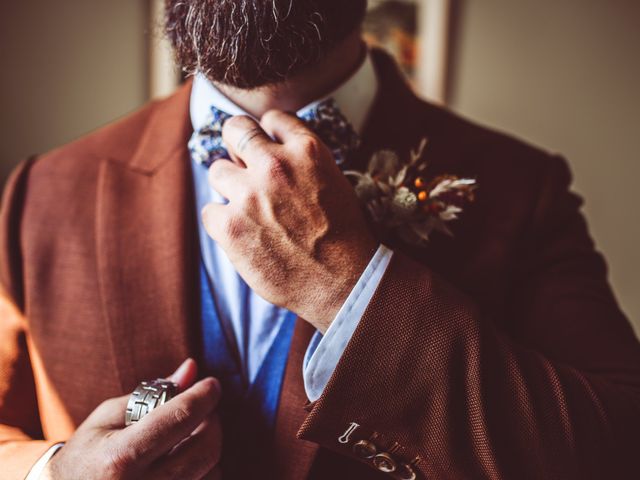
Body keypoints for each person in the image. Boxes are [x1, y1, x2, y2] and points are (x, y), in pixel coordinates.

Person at [1, 1, 639, 478]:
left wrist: (349, 288)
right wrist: (51, 472)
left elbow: (620, 449)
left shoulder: (521, 188)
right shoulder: (45, 188)